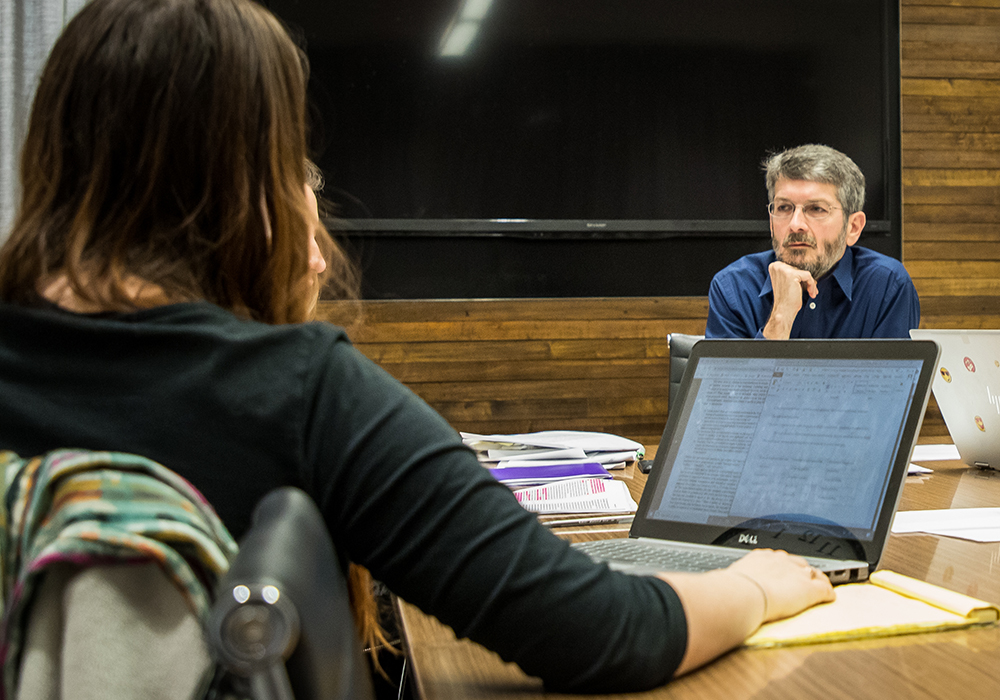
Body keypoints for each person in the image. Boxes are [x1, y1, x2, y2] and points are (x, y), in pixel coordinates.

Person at [0, 0, 834, 693]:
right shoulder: (292, 386)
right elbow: (598, 633)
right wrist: (755, 585)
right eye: (289, 158)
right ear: (239, 177)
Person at [705, 144, 920, 339]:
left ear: (853, 227)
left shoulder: (887, 285)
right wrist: (780, 317)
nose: (795, 224)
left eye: (816, 209)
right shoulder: (733, 287)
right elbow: (736, 384)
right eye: (784, 208)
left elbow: (890, 382)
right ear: (771, 223)